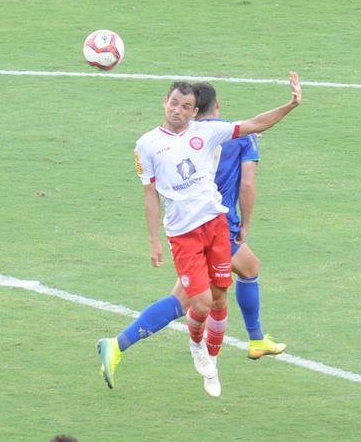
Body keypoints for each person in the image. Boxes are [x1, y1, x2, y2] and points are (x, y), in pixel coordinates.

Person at [98, 73, 302, 397]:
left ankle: (227, 352)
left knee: (219, 295)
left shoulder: (207, 133)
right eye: (174, 103)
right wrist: (153, 240)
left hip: (216, 226)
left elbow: (255, 124)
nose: (178, 110)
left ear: (195, 112)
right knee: (199, 302)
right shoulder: (147, 145)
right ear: (164, 103)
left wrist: (290, 105)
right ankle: (190, 348)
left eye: (185, 106)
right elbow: (150, 194)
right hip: (184, 235)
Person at [169, 82, 285, 361]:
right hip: (219, 224)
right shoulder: (240, 137)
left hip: (187, 221)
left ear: (194, 110)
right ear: (217, 105)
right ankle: (120, 342)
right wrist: (246, 224)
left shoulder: (184, 136)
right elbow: (247, 184)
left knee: (245, 270)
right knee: (182, 301)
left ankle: (253, 340)